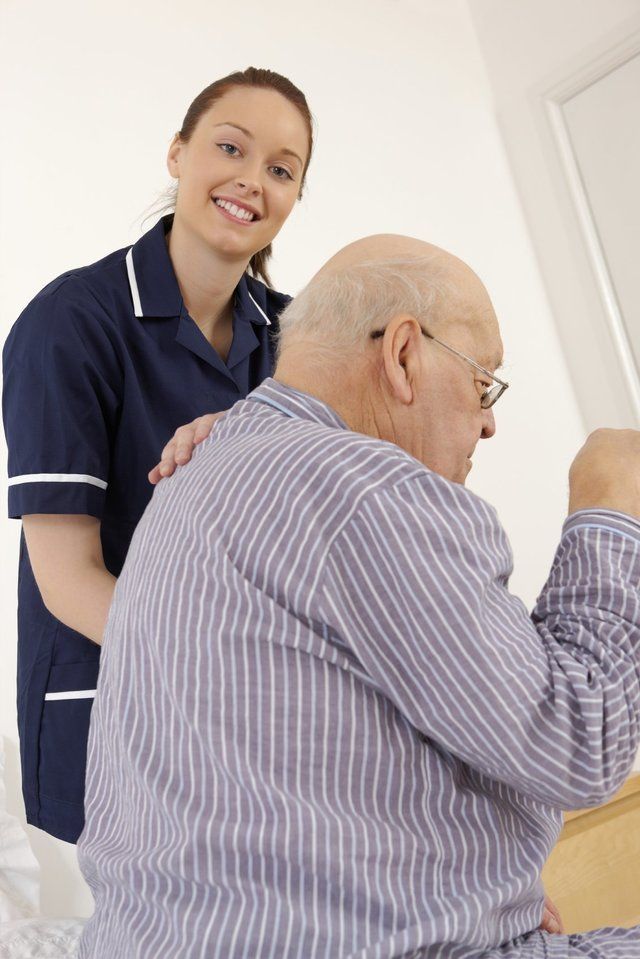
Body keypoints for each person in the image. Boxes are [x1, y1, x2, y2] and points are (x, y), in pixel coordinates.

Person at [77, 234, 640, 958]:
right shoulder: (361, 484)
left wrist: (482, 883)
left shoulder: (200, 470)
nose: (489, 421)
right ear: (404, 353)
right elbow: (583, 742)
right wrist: (609, 504)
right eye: (483, 382)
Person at [1, 66, 313, 844]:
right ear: (177, 153)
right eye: (230, 147)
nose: (252, 181)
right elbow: (68, 579)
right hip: (114, 698)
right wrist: (227, 669)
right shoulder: (71, 322)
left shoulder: (295, 339)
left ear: (296, 199)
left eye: (280, 169)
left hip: (247, 716)